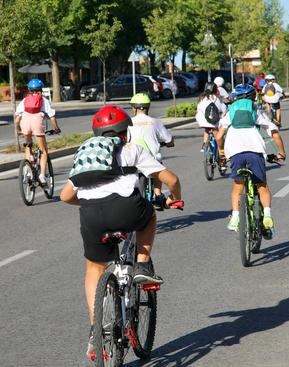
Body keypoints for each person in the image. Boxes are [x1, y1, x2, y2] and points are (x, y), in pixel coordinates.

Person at [60, 105, 183, 358]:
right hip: (127, 209)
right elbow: (170, 179)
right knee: (149, 216)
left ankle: (96, 331)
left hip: (91, 215)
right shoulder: (131, 150)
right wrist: (175, 198)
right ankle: (141, 268)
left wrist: (87, 203)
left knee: (94, 268)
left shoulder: (85, 156)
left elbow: (65, 196)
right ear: (125, 133)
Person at [219, 84, 286, 235]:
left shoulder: (230, 114)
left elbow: (218, 136)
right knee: (262, 187)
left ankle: (235, 217)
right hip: (255, 152)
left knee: (237, 188)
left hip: (235, 154)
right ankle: (267, 216)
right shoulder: (257, 112)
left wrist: (221, 152)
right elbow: (274, 133)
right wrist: (281, 153)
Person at [129, 93, 174, 207]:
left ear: (134, 108)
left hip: (132, 159)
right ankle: (158, 195)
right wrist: (169, 143)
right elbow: (168, 139)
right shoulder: (155, 122)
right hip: (152, 159)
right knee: (159, 168)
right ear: (148, 108)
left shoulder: (128, 123)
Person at [15, 79, 61, 186]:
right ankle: (42, 176)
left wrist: (19, 130)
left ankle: (27, 170)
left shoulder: (24, 100)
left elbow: (17, 119)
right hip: (37, 123)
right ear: (40, 89)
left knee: (28, 146)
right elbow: (52, 117)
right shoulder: (44, 100)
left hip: (25, 123)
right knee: (44, 151)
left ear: (29, 90)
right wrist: (56, 128)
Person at [195, 82, 227, 169]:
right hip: (214, 121)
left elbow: (198, 110)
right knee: (219, 137)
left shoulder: (201, 98)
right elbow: (223, 110)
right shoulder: (216, 98)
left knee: (207, 129)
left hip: (202, 121)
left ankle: (205, 144)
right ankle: (222, 158)